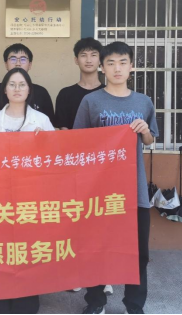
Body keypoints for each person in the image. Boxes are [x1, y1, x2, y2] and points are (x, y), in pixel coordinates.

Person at [74, 42, 159, 315]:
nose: (117, 68)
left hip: (134, 190)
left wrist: (144, 131)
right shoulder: (91, 102)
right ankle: (95, 301)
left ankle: (134, 305)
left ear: (131, 66)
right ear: (102, 68)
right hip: (99, 191)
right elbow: (78, 142)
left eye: (123, 62)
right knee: (97, 249)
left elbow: (150, 140)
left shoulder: (143, 102)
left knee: (138, 253)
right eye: (110, 63)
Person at [0, 68, 54, 314]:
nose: (17, 88)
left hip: (31, 196)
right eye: (12, 84)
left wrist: (45, 142)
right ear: (5, 89)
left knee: (29, 249)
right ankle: (3, 300)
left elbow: (55, 158)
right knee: (3, 249)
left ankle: (27, 300)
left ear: (29, 89)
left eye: (22, 84)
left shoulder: (41, 120)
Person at [56, 38, 113, 297]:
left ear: (100, 60)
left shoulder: (111, 92)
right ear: (75, 59)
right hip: (75, 170)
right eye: (83, 54)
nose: (88, 59)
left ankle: (104, 275)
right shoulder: (66, 94)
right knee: (76, 222)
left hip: (105, 170)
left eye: (93, 54)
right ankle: (77, 273)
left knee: (103, 223)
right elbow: (62, 131)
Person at [0, 44, 54, 128]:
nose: (18, 63)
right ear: (6, 64)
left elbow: (50, 127)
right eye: (13, 59)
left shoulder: (41, 93)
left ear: (30, 65)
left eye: (23, 59)